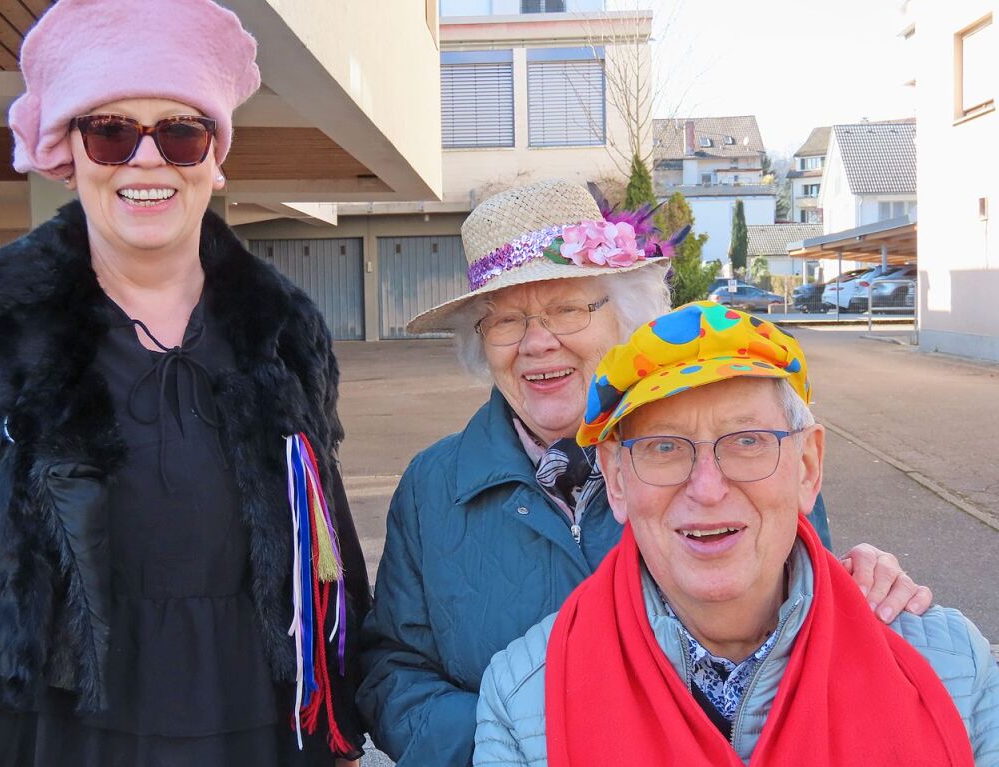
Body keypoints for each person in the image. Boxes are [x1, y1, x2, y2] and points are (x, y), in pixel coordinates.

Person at [357, 179, 933, 767]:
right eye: (506, 321)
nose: (537, 342)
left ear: (624, 314)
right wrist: (511, 743)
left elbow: (802, 634)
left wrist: (861, 584)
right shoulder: (433, 486)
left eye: (566, 307)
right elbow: (391, 668)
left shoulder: (739, 461)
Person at [0, 1, 369, 765]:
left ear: (214, 156)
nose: (146, 160)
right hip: (57, 735)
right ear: (73, 153)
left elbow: (329, 550)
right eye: (112, 131)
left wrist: (341, 716)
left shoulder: (284, 330)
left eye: (181, 133)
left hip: (257, 725)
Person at [474, 301, 999, 766]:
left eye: (748, 440)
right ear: (615, 479)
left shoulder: (952, 667)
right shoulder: (525, 699)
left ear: (808, 467)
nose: (707, 488)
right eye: (663, 446)